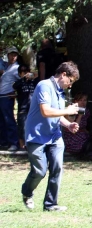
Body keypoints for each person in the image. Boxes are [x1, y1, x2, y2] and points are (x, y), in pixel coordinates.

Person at [21, 61, 81, 211]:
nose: (70, 85)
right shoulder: (44, 86)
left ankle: (50, 205)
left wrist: (67, 125)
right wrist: (67, 111)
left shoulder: (61, 92)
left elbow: (56, 114)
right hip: (36, 135)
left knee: (57, 168)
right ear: (63, 75)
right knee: (40, 171)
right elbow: (46, 111)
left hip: (54, 136)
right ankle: (27, 192)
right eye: (71, 81)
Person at [0, 46, 22, 151]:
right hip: (1, 96)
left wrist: (17, 94)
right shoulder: (7, 66)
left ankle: (14, 143)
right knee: (2, 120)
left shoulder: (17, 68)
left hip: (7, 96)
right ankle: (4, 142)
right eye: (11, 54)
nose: (13, 57)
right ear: (7, 55)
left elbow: (22, 82)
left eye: (15, 55)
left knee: (9, 119)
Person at [13, 64, 38, 150]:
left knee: (33, 127)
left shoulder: (33, 82)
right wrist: (24, 78)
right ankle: (21, 146)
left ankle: (31, 145)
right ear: (20, 73)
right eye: (23, 71)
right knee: (22, 127)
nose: (25, 73)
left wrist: (35, 76)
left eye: (27, 71)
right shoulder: (19, 82)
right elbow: (14, 86)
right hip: (22, 108)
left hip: (33, 108)